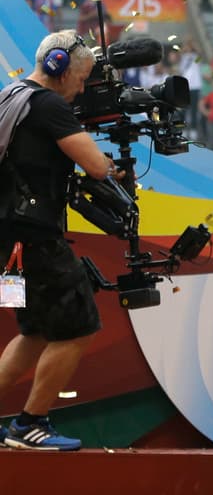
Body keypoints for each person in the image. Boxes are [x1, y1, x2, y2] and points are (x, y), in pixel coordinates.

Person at [0, 31, 116, 451]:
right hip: (34, 238)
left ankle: (24, 424)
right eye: (81, 79)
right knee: (78, 327)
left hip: (10, 239)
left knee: (35, 333)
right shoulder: (48, 105)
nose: (82, 89)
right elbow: (96, 166)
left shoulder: (13, 94)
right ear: (58, 68)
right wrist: (111, 165)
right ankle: (30, 424)